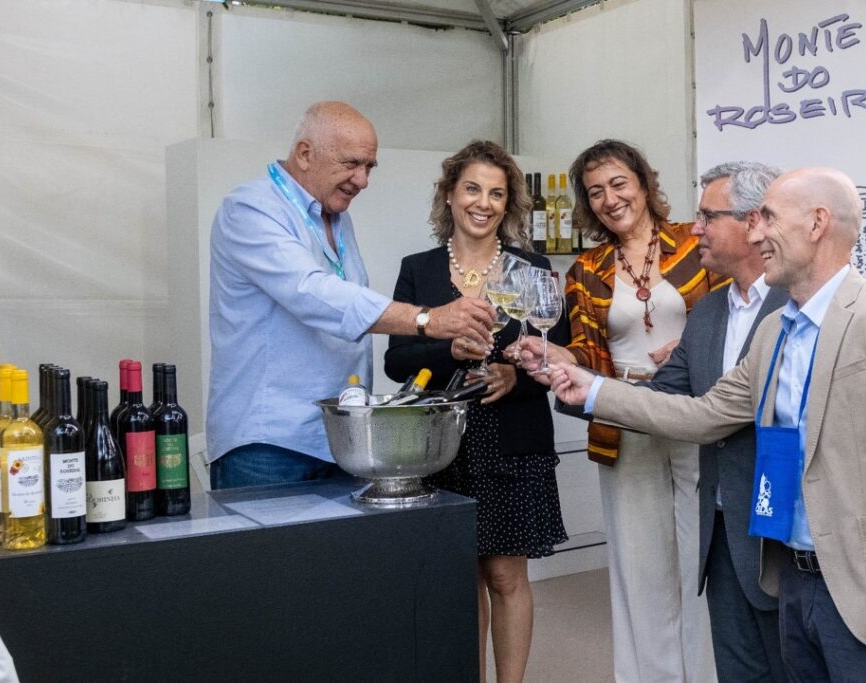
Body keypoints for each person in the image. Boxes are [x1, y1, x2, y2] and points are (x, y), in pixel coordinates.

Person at [551, 167, 866, 682]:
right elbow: (704, 414)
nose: (757, 234)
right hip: (790, 581)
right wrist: (592, 390)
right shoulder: (775, 330)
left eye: (769, 219)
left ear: (817, 223)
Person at [207, 101, 493, 490]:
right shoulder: (251, 208)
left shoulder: (338, 219)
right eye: (351, 164)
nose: (362, 180)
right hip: (270, 444)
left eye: (369, 167)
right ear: (305, 154)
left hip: (340, 437)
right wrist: (427, 320)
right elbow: (312, 292)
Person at [519, 139, 719, 682]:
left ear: (644, 184)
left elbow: (734, 315)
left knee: (703, 561)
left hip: (698, 415)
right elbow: (588, 352)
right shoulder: (586, 269)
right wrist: (551, 355)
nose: (609, 199)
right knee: (640, 565)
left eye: (618, 183)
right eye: (595, 192)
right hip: (623, 418)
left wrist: (691, 349)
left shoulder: (695, 243)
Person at [384, 141, 568, 683]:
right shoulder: (417, 270)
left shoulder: (531, 268)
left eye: (496, 193)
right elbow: (396, 362)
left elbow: (556, 357)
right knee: (459, 582)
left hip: (511, 439)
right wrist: (448, 350)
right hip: (440, 445)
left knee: (506, 578)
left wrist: (515, 378)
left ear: (508, 204)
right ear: (449, 194)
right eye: (472, 189)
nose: (482, 203)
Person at [645, 161, 788, 682]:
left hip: (785, 542)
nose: (695, 230)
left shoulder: (800, 306)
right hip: (722, 533)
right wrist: (572, 382)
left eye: (708, 217)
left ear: (753, 222)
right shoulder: (706, 313)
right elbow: (659, 400)